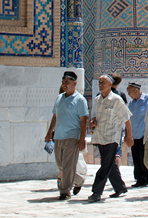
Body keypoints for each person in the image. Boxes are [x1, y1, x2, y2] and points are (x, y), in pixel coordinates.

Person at [87, 75, 134, 202]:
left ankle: (97, 191)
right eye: (100, 82)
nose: (100, 84)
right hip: (100, 136)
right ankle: (120, 187)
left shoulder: (116, 100)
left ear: (110, 85)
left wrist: (129, 136)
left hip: (112, 137)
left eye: (103, 82)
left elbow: (127, 119)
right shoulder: (97, 99)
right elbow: (94, 116)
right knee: (110, 163)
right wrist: (93, 122)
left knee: (105, 164)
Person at [45, 71, 89, 200]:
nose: (64, 85)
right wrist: (49, 133)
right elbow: (55, 116)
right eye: (63, 82)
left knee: (68, 165)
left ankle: (64, 191)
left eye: (67, 82)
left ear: (74, 83)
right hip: (59, 136)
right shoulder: (59, 98)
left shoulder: (80, 100)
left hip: (72, 136)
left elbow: (83, 121)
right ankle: (79, 180)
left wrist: (82, 139)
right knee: (61, 165)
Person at [127, 81, 148, 188]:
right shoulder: (132, 103)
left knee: (144, 157)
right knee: (136, 158)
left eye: (130, 91)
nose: (129, 94)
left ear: (136, 90)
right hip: (134, 135)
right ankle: (139, 178)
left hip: (144, 135)